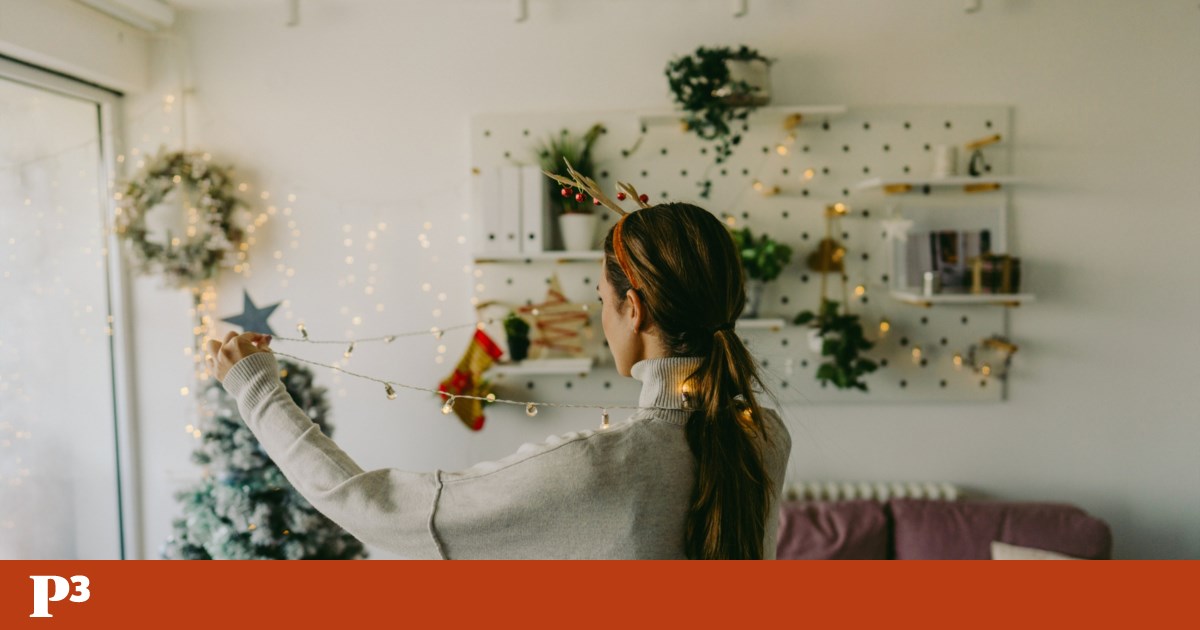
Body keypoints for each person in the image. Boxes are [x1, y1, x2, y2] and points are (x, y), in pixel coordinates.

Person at [208, 202, 791, 559]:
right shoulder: (763, 435)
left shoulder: (602, 466)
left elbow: (372, 508)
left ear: (633, 310)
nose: (603, 318)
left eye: (601, 300)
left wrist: (255, 388)